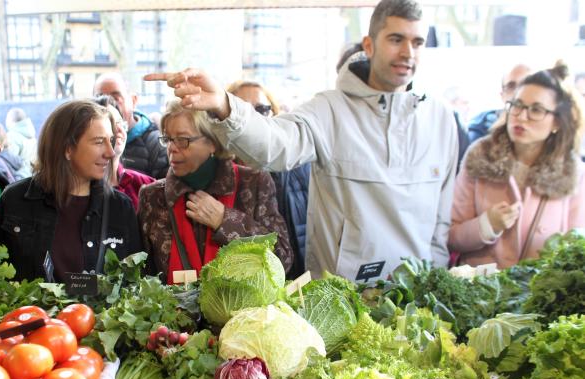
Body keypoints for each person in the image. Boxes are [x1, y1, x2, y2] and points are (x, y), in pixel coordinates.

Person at [145, 0, 458, 280]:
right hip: (343, 301)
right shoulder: (330, 110)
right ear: (370, 44)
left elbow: (441, 221)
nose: (408, 52)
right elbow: (273, 144)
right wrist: (225, 105)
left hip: (416, 295)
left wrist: (433, 277)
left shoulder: (441, 119)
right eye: (396, 39)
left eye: (418, 42)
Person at [138, 100, 293, 284]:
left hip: (243, 312)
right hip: (174, 312)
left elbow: (283, 259)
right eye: (168, 139)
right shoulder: (152, 196)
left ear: (213, 142)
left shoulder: (253, 182)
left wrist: (225, 220)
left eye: (182, 140)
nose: (171, 148)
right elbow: (144, 276)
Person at [0, 100, 142, 282]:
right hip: (32, 311)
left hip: (97, 312)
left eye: (111, 141)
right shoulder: (15, 200)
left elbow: (134, 283)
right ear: (67, 148)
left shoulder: (120, 208)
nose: (110, 152)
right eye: (99, 142)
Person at [449, 64, 585, 269]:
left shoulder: (573, 173)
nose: (521, 116)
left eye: (536, 110)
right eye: (517, 105)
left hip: (540, 296)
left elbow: (576, 252)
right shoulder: (480, 155)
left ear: (557, 122)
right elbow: (450, 235)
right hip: (478, 294)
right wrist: (487, 225)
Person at [227, 80, 310, 279]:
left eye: (262, 109)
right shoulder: (220, 176)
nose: (253, 117)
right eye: (243, 109)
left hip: (299, 280)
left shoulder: (299, 168)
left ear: (274, 114)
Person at [93, 72, 169, 179]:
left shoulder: (156, 143)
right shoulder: (86, 143)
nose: (108, 104)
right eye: (100, 98)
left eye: (116, 97)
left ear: (133, 101)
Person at [93, 95, 155, 210]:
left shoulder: (144, 184)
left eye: (121, 123)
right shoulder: (79, 190)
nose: (120, 130)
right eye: (111, 124)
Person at [467, 63, 531, 143]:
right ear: (502, 96)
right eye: (511, 86)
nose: (518, 92)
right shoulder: (480, 131)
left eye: (525, 85)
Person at [5, 107, 37, 179]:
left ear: (10, 120)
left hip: (18, 180)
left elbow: (10, 161)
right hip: (32, 178)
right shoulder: (32, 136)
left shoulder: (12, 136)